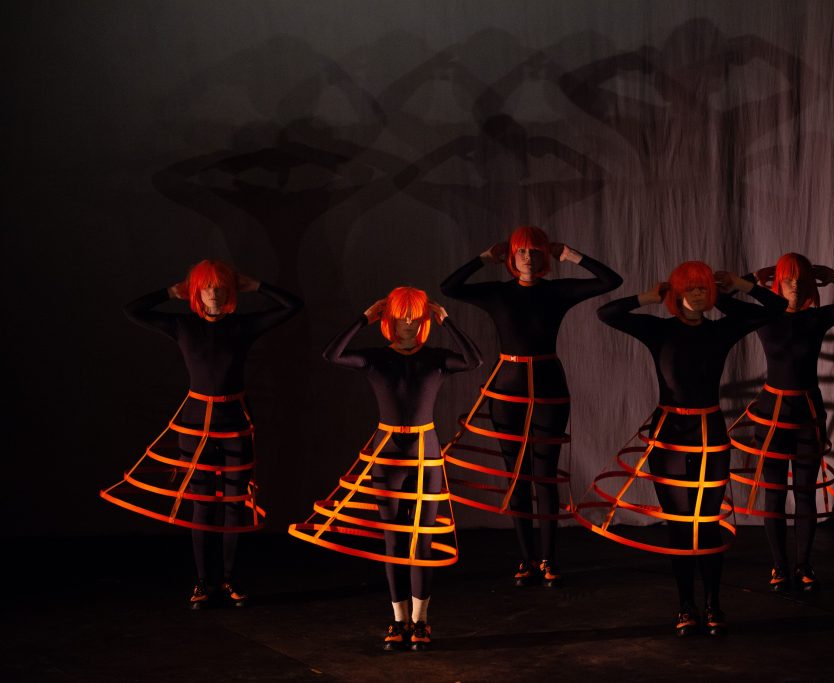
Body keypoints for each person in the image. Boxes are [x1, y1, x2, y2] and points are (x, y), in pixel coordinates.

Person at [585, 261, 785, 636]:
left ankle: (713, 604)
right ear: (677, 294)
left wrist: (738, 288)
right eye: (691, 289)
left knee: (706, 525)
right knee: (679, 526)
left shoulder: (723, 329)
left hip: (710, 434)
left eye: (703, 288)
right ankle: (685, 606)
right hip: (671, 437)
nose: (698, 294)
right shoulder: (658, 330)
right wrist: (647, 297)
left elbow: (774, 310)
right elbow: (606, 312)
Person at [101, 259, 303, 608]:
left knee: (235, 503)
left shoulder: (243, 326)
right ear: (195, 291)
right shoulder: (182, 325)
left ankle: (227, 581)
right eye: (207, 286)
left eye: (220, 285)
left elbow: (293, 306)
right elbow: (130, 310)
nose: (214, 292)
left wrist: (254, 285)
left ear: (229, 290)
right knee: (201, 504)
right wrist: (169, 292)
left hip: (234, 423)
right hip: (194, 426)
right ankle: (203, 583)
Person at [290, 287, 481, 651]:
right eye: (401, 314)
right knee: (394, 542)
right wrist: (364, 317)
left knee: (421, 541)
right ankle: (398, 622)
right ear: (390, 318)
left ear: (424, 320)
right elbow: (332, 354)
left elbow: (474, 360)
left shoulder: (437, 359)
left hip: (426, 458)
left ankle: (421, 623)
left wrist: (447, 320)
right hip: (387, 458)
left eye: (414, 315)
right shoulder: (375, 359)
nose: (408, 322)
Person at [440, 225, 621, 587]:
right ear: (511, 257)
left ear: (543, 257)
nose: (527, 256)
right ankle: (525, 560)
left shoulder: (557, 291)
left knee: (544, 475)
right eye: (521, 250)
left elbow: (609, 280)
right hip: (507, 388)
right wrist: (483, 258)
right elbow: (450, 288)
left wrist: (570, 254)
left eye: (535, 250)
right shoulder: (498, 293)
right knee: (516, 475)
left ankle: (548, 559)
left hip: (549, 386)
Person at [728, 253, 834, 592]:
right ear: (777, 281)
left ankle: (804, 567)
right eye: (787, 277)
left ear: (809, 283)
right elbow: (721, 302)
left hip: (807, 415)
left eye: (800, 277)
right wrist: (750, 277)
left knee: (804, 494)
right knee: (774, 495)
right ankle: (779, 568)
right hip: (771, 415)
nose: (794, 283)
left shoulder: (817, 319)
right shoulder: (764, 317)